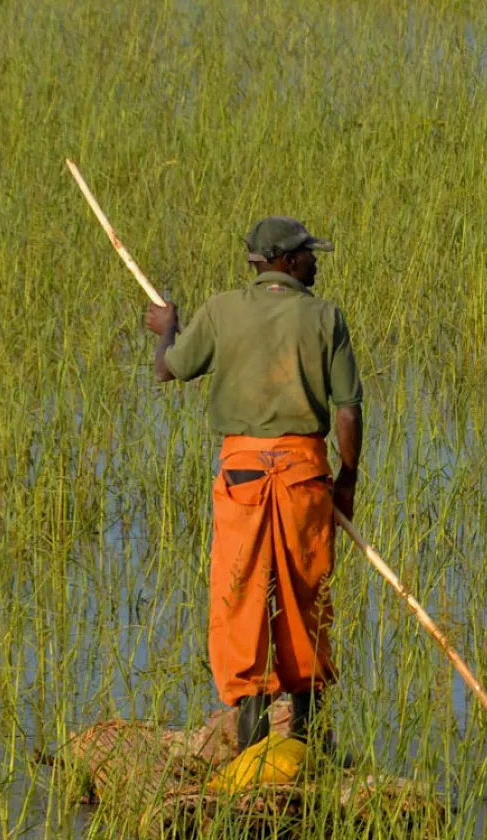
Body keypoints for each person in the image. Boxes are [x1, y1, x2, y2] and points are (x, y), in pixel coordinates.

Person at [143, 216, 364, 754]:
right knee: (305, 597)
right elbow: (348, 411)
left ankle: (251, 741)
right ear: (284, 262)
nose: (316, 261)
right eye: (308, 255)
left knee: (239, 597)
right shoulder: (324, 316)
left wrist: (167, 326)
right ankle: (307, 742)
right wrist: (348, 479)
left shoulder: (220, 310)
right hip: (304, 480)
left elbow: (168, 368)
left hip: (241, 480)